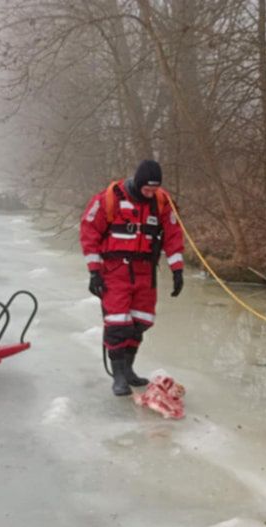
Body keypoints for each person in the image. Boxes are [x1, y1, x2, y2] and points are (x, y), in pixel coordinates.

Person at [80, 160, 185, 395]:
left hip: (145, 272)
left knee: (140, 322)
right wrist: (94, 272)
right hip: (115, 271)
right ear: (137, 183)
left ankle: (128, 370)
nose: (150, 193)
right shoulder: (110, 199)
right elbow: (89, 232)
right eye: (147, 189)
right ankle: (118, 376)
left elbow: (173, 235)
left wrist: (177, 269)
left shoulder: (161, 202)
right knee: (118, 324)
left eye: (154, 189)